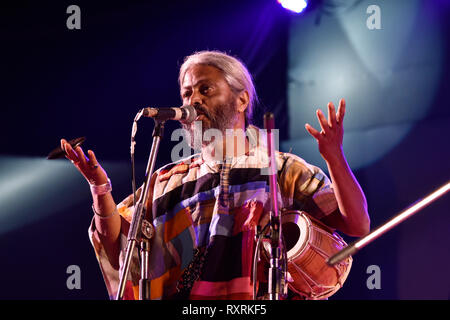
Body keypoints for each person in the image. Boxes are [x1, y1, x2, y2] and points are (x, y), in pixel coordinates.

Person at [61, 50, 370, 300]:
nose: (193, 100)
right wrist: (100, 189)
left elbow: (356, 224)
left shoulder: (281, 168)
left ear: (242, 100)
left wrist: (334, 156)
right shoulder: (167, 180)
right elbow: (119, 249)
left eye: (205, 89)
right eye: (187, 93)